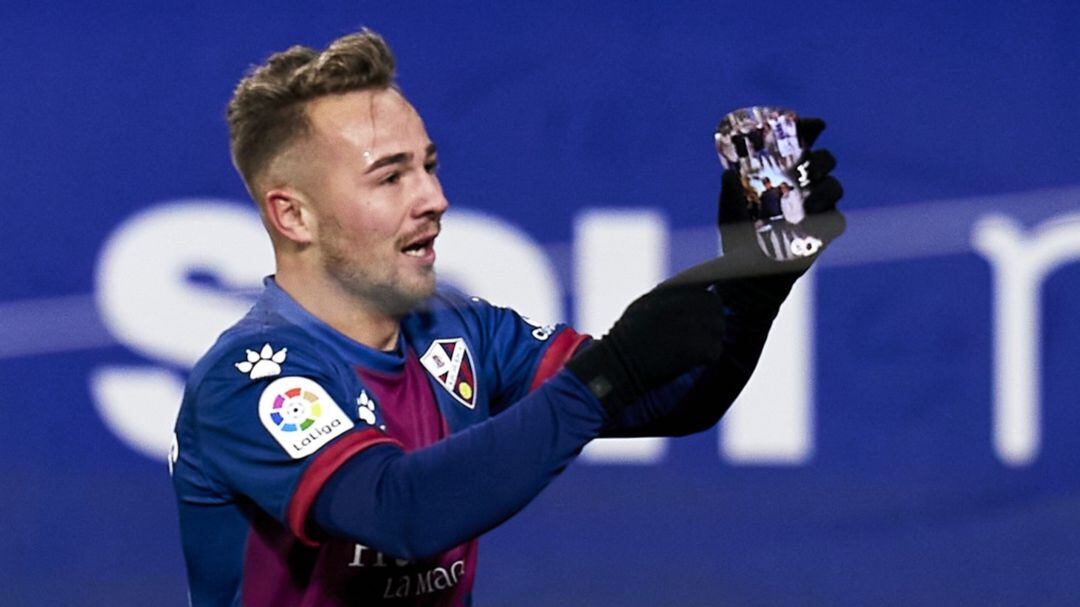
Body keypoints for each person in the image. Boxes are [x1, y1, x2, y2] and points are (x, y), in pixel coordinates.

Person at [171, 29, 843, 606]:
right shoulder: (249, 378)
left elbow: (672, 401)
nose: (434, 197)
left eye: (429, 166)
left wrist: (757, 276)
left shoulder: (463, 331)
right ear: (293, 215)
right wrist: (604, 376)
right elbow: (400, 509)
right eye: (390, 177)